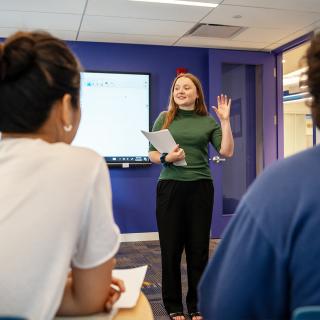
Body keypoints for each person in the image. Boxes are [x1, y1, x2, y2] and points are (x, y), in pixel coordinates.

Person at [0, 31, 125, 319]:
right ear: (67, 107)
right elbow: (89, 300)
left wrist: (55, 285)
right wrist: (80, 287)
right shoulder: (84, 165)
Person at [198, 33, 320, 320]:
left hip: (200, 185)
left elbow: (222, 307)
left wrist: (225, 121)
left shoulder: (281, 190)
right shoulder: (282, 188)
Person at [148, 73, 234, 320]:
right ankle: (173, 305)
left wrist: (225, 122)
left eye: (187, 87)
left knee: (198, 250)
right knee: (171, 249)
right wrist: (167, 158)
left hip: (200, 188)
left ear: (197, 94)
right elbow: (151, 154)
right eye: (177, 87)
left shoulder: (207, 121)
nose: (181, 91)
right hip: (170, 187)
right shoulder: (164, 118)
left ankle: (196, 304)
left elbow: (226, 151)